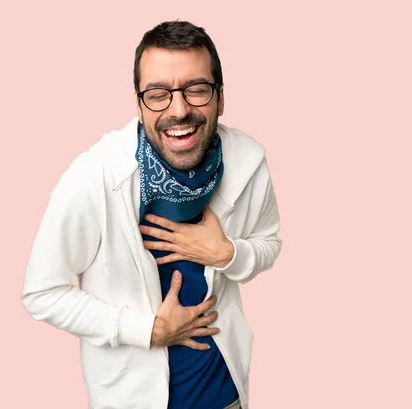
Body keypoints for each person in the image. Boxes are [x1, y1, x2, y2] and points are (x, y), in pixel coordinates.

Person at [21, 20, 282, 409]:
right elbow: (41, 293)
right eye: (159, 94)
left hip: (227, 397)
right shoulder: (95, 176)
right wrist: (148, 330)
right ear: (140, 102)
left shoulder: (249, 161)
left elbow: (269, 243)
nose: (179, 110)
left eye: (196, 90)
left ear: (220, 97)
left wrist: (227, 254)